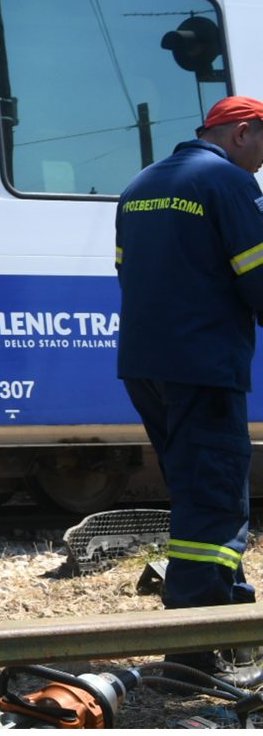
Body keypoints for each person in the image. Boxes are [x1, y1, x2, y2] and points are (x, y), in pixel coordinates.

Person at [115, 94, 263, 688]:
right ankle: (192, 653)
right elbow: (259, 276)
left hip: (146, 366)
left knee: (197, 493)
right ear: (243, 132)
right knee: (216, 500)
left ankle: (230, 622)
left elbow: (127, 270)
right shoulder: (228, 182)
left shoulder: (141, 184)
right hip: (204, 365)